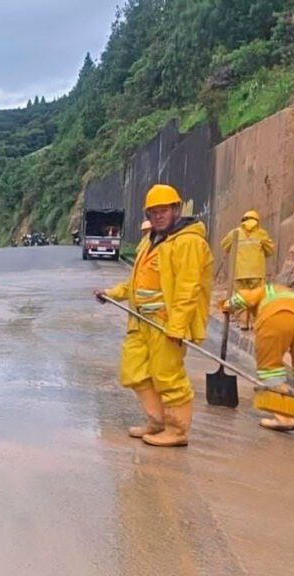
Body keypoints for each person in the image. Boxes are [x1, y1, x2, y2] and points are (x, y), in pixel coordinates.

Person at [95, 184, 212, 447]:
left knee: (168, 376)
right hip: (140, 321)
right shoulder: (150, 241)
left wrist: (178, 326)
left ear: (176, 210)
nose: (158, 216)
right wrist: (111, 293)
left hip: (165, 322)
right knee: (133, 370)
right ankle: (157, 421)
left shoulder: (189, 242)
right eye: (153, 212)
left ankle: (178, 430)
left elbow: (188, 287)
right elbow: (135, 283)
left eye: (163, 211)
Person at [222, 283, 294, 432]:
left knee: (270, 369)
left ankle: (284, 418)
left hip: (276, 316)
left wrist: (225, 305)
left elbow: (240, 299)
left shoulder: (266, 290)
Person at [220, 210, 275, 330]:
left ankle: (244, 323)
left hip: (239, 273)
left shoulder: (234, 233)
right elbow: (270, 250)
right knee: (257, 298)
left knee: (241, 298)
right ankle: (256, 324)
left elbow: (224, 246)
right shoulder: (261, 234)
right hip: (257, 272)